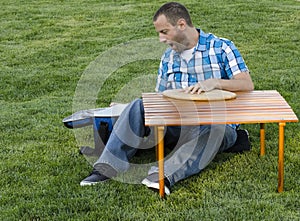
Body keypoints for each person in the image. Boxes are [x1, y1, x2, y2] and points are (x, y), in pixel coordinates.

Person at [80, 2, 254, 195]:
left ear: (181, 25)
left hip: (216, 125)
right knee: (139, 105)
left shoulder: (221, 47)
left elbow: (246, 84)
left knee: (214, 130)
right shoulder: (168, 58)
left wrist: (214, 82)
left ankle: (162, 176)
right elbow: (159, 97)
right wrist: (130, 108)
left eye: (164, 31)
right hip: (177, 124)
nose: (161, 39)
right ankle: (107, 166)